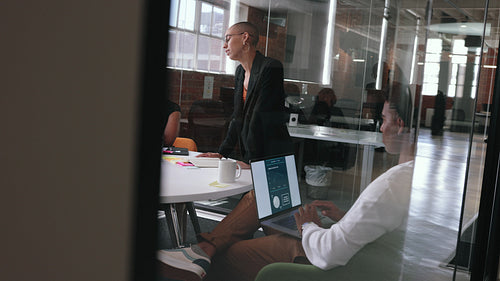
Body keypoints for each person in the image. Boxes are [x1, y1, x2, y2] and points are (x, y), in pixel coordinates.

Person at [157, 86, 416, 281]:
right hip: (330, 240)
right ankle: (203, 248)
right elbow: (379, 229)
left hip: (313, 253)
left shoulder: (392, 184)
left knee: (229, 252)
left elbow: (330, 252)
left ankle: (201, 254)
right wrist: (346, 217)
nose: (381, 128)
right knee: (262, 194)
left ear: (401, 125)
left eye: (384, 120)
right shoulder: (406, 177)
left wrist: (308, 227)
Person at [196, 22, 293, 167]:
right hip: (252, 155)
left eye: (228, 39)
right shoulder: (240, 72)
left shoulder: (271, 67)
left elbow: (260, 117)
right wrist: (222, 153)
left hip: (270, 154)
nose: (224, 45)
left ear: (245, 37)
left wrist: (250, 161)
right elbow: (237, 116)